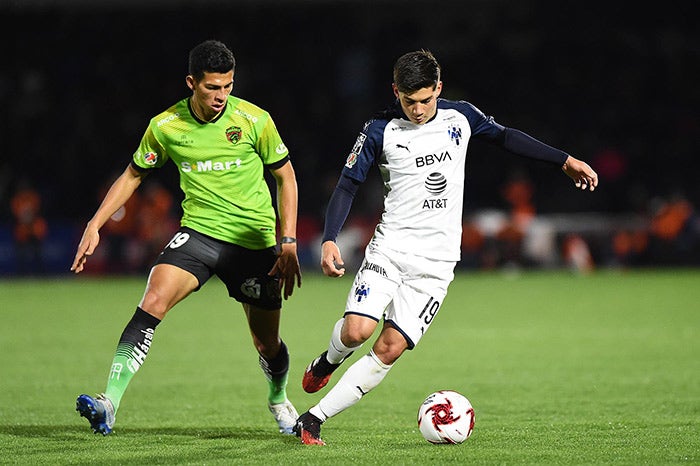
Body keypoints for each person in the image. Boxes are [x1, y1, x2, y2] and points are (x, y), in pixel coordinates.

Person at [293, 50, 598, 445]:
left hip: (437, 264)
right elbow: (348, 184)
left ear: (439, 88)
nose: (418, 110)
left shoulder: (461, 117)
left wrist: (564, 160)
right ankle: (328, 359)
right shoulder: (378, 130)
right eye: (409, 101)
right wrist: (330, 236)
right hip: (391, 249)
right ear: (395, 92)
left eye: (425, 99)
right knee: (356, 331)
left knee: (389, 348)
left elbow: (506, 138)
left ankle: (313, 419)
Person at [71, 40, 302, 436]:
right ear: (192, 82)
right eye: (213, 87)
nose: (221, 96)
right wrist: (95, 223)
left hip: (255, 243)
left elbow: (286, 178)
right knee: (153, 299)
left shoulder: (254, 119)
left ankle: (278, 398)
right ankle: (110, 401)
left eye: (228, 86)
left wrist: (288, 240)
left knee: (267, 344)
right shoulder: (165, 126)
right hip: (200, 235)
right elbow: (132, 175)